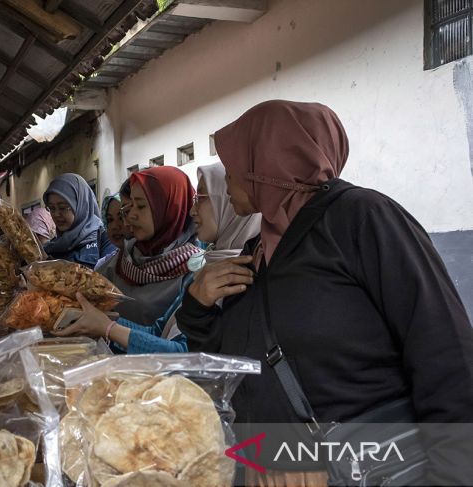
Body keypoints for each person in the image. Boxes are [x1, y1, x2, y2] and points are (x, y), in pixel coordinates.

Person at [176, 100, 473, 486]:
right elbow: (238, 368)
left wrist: (453, 475)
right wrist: (197, 307)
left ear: (269, 162)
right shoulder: (258, 252)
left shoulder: (362, 218)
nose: (227, 181)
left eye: (233, 167)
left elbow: (445, 352)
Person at [56, 163, 260, 353]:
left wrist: (108, 328)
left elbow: (185, 354)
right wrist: (100, 321)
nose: (192, 210)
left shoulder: (236, 273)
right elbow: (158, 331)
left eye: (202, 198)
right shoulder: (206, 266)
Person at [98, 166, 201, 330]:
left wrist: (107, 326)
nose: (131, 216)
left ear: (168, 208)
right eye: (129, 208)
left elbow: (175, 344)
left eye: (140, 206)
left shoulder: (195, 268)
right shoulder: (123, 258)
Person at [43, 173, 115, 268]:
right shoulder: (51, 248)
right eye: (52, 208)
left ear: (81, 205)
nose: (56, 214)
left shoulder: (104, 238)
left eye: (62, 207)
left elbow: (108, 277)